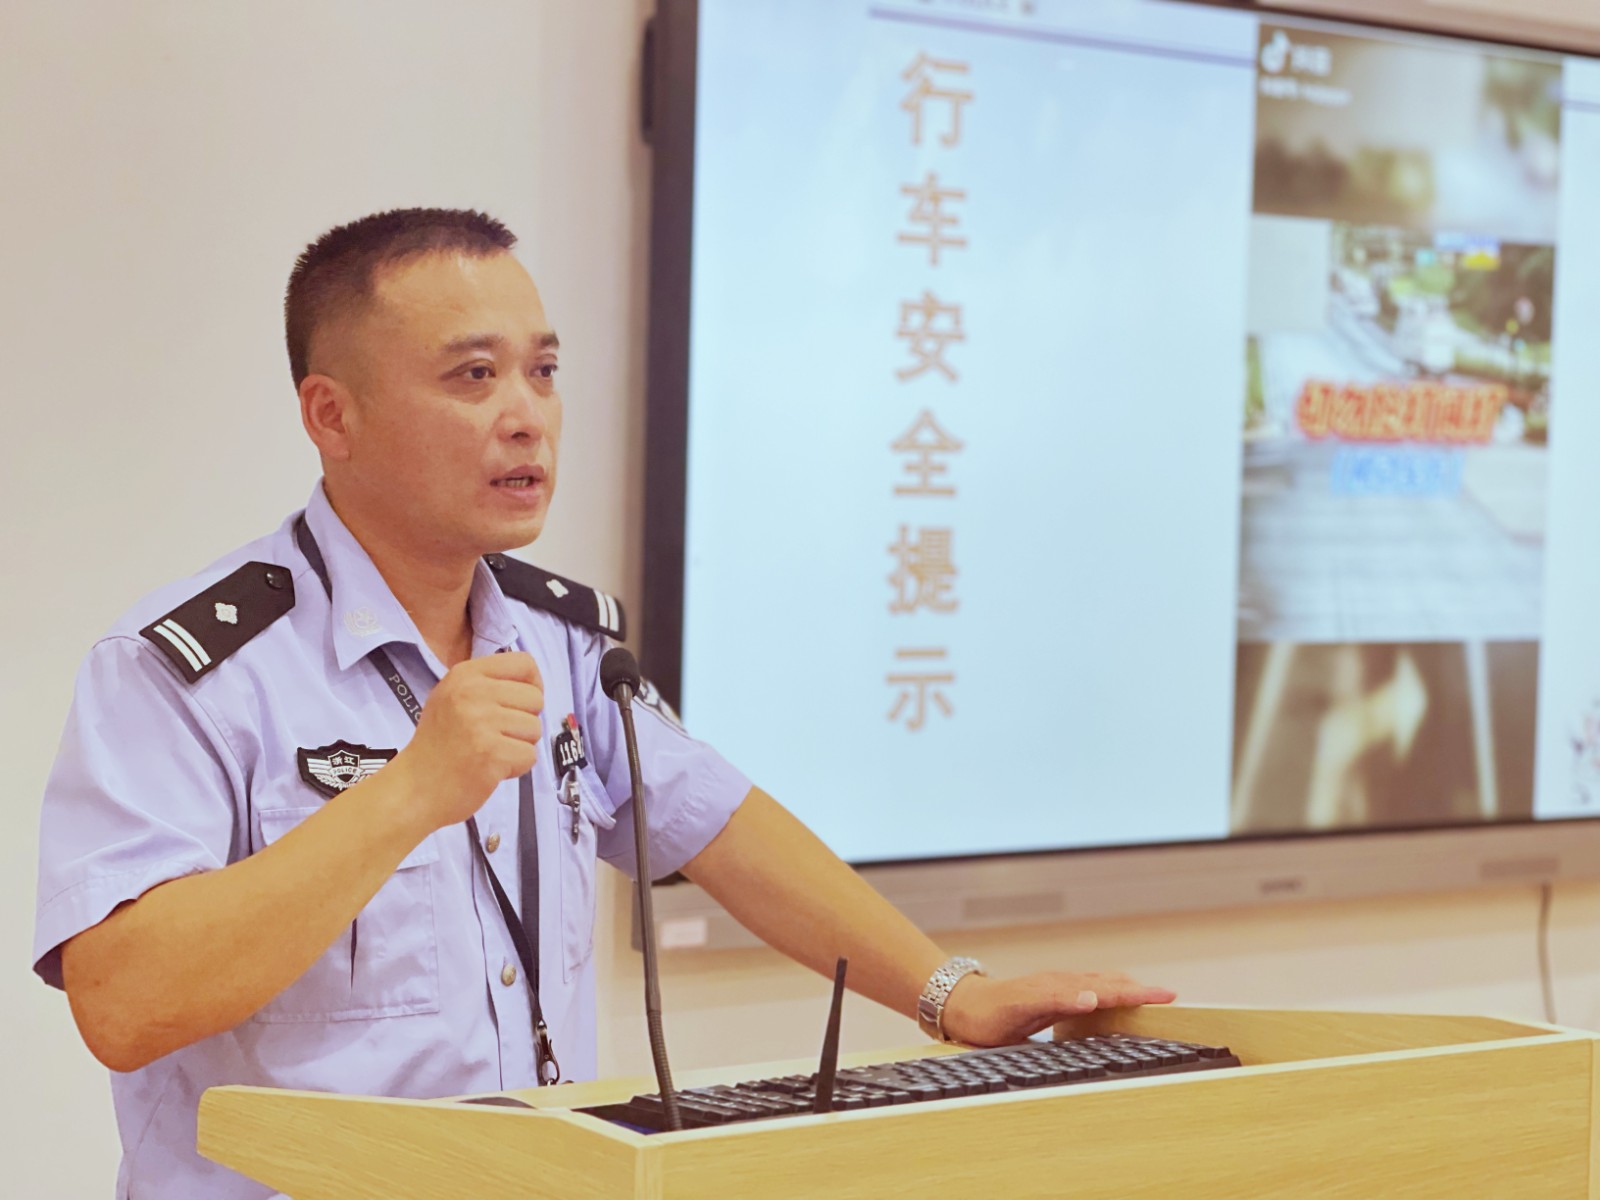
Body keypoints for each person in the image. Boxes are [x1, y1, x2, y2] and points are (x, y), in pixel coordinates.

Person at [33, 208, 1175, 1197]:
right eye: (472, 376)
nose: (526, 415)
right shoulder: (186, 669)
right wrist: (407, 795)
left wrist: (950, 996)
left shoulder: (564, 640)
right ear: (332, 416)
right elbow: (124, 1006)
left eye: (542, 371)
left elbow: (722, 829)